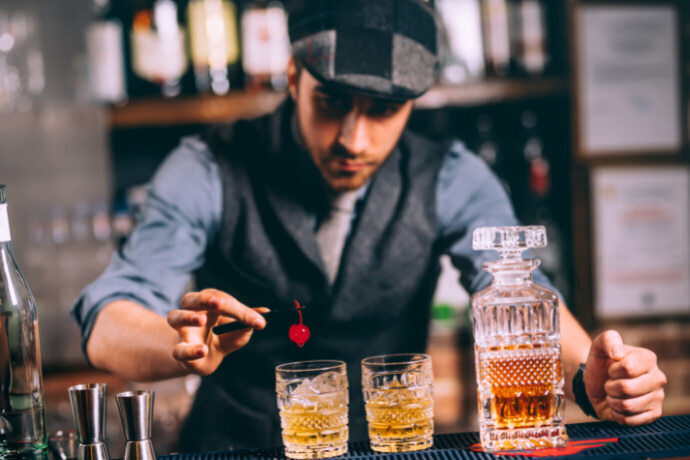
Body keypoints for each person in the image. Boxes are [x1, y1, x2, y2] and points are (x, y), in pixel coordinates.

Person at [72, 0, 666, 452]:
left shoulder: (449, 175)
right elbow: (107, 318)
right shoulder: (207, 166)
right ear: (291, 75)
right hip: (236, 448)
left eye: (383, 111)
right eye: (331, 102)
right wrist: (182, 348)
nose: (354, 140)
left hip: (390, 448)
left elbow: (512, 287)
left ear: (413, 104)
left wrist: (595, 380)